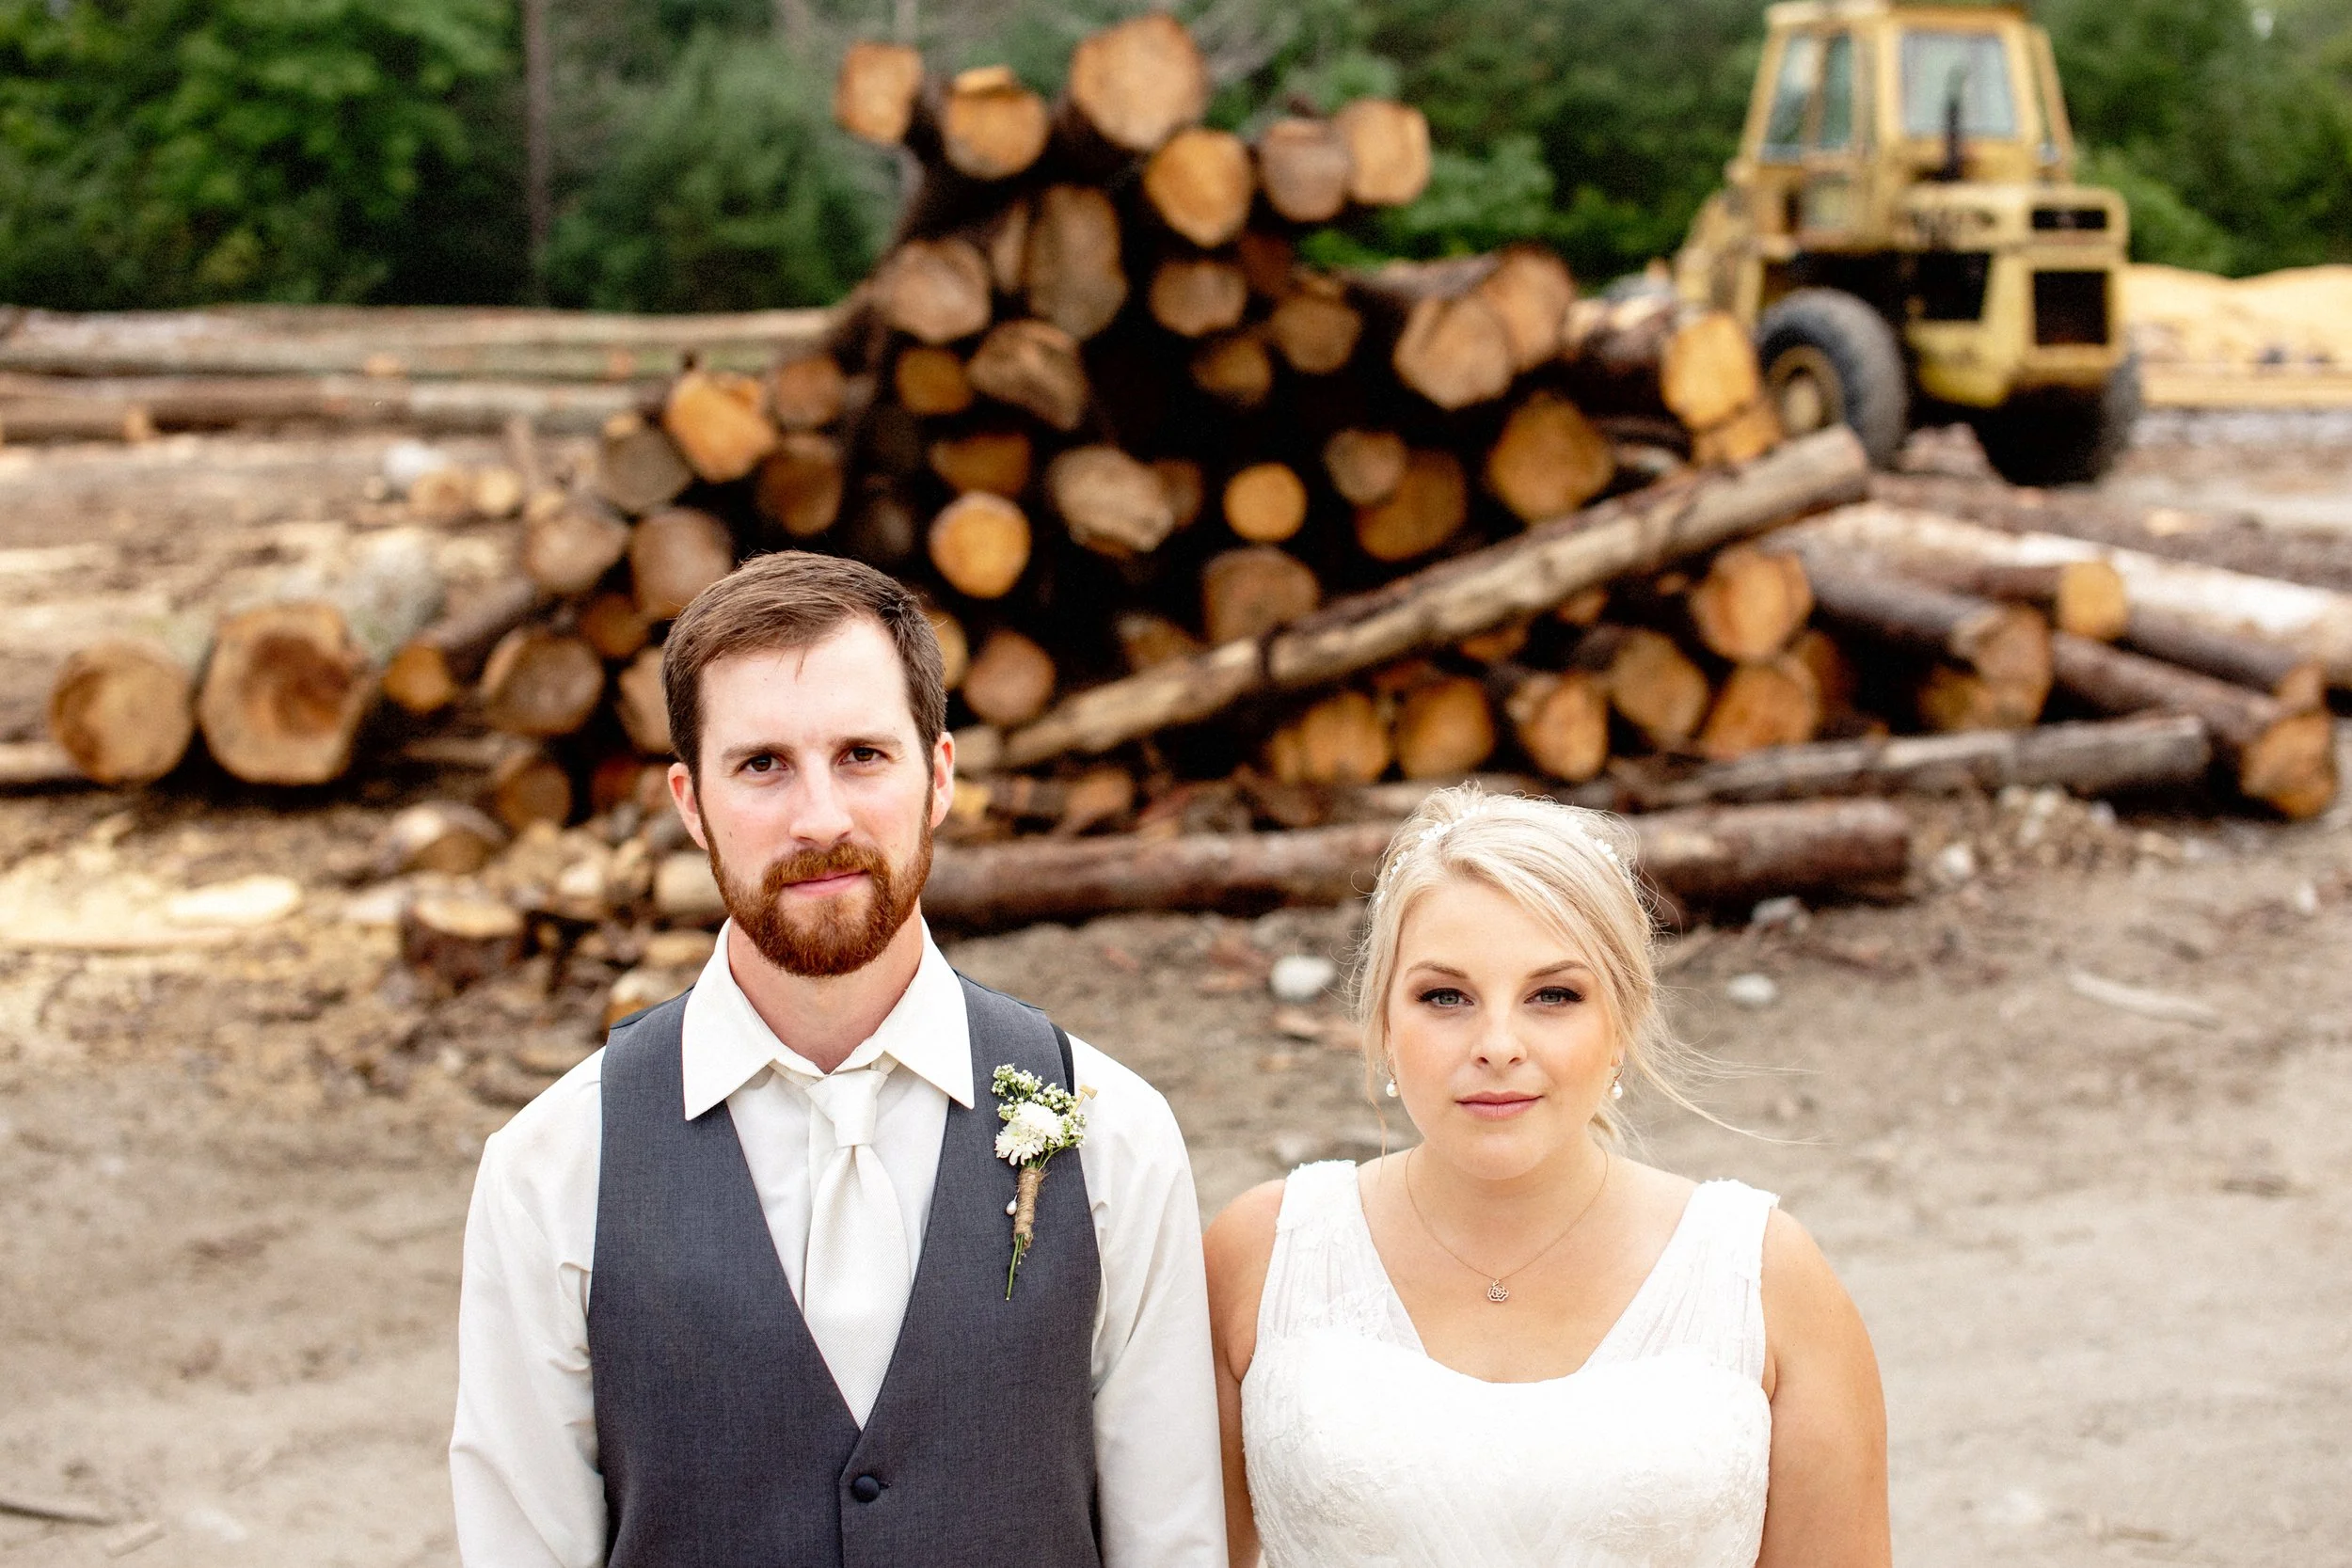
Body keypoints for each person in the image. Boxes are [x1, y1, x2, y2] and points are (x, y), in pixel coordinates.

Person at [450, 551, 1224, 1568]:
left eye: (862, 754)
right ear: (689, 802)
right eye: (762, 763)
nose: (819, 817)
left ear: (938, 775)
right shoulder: (552, 1165)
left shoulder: (1116, 1132)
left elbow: (1171, 1543)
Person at [1205, 786, 1889, 1568]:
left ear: (1622, 1022)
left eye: (1553, 994)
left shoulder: (1768, 1278)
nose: (1498, 1042)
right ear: (1384, 1024)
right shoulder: (1260, 1255)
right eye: (1446, 995)